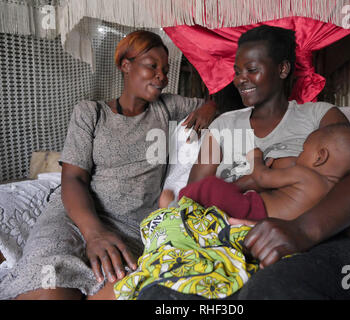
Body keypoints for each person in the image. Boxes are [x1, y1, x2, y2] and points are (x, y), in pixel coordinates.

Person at [138, 25, 350, 299]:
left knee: (270, 290)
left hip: (314, 242)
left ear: (283, 69)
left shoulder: (320, 118)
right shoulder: (223, 126)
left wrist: (302, 231)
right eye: (237, 71)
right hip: (229, 239)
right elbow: (194, 199)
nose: (241, 79)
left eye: (252, 70)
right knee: (159, 295)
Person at [0, 30, 218, 300]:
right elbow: (74, 179)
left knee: (115, 291)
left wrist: (212, 106)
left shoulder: (167, 108)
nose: (162, 76)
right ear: (125, 65)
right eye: (152, 66)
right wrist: (93, 233)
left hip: (129, 228)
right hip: (73, 218)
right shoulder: (90, 113)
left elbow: (225, 103)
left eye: (166, 69)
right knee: (48, 286)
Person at [176, 123, 350, 222]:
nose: (300, 154)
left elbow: (262, 177)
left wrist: (255, 159)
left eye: (304, 150)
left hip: (254, 211)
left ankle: (177, 206)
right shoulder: (333, 195)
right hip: (267, 222)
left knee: (212, 186)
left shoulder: (306, 175)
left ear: (320, 157)